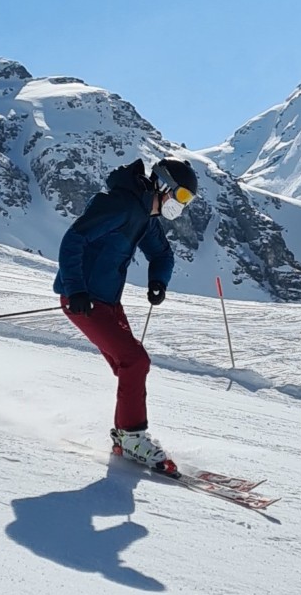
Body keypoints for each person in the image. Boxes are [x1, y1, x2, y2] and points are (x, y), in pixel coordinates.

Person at [53, 157, 198, 475]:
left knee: (128, 364)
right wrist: (76, 289)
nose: (182, 205)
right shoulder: (121, 205)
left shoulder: (144, 215)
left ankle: (125, 435)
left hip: (107, 302)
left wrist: (159, 279)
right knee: (135, 361)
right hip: (84, 301)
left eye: (188, 200)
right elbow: (74, 239)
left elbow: (162, 253)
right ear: (163, 185)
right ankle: (132, 436)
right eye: (182, 196)